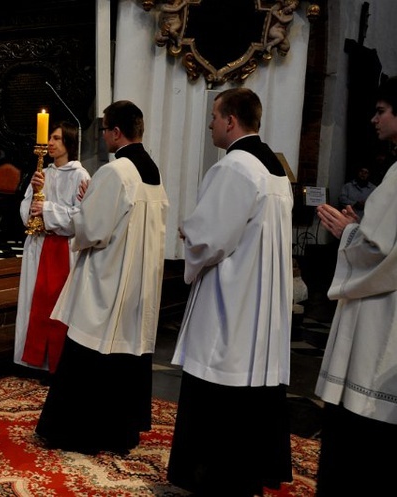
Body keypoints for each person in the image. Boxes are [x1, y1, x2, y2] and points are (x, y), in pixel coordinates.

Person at [166, 88, 294, 496]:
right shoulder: (275, 170)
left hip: (231, 298)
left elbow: (213, 239)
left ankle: (212, 476)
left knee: (218, 379)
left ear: (231, 121)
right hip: (262, 299)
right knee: (250, 389)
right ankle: (247, 472)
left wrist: (189, 231)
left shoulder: (233, 167)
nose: (209, 125)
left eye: (214, 116)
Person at [35, 100, 168, 454]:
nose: (104, 136)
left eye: (106, 129)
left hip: (108, 280)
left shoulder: (116, 171)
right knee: (126, 356)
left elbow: (92, 229)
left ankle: (80, 433)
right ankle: (121, 431)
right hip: (137, 282)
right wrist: (91, 199)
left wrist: (85, 206)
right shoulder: (152, 172)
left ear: (116, 132)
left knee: (91, 352)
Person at [314, 76, 397, 497]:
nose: (374, 118)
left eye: (381, 110)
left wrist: (348, 233)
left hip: (384, 308)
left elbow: (382, 253)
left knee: (364, 410)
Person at [14, 121, 90, 376]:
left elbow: (81, 218)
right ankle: (32, 360)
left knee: (58, 307)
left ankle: (55, 363)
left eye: (57, 138)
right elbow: (26, 208)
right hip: (38, 245)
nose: (51, 143)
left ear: (68, 143)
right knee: (33, 303)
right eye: (51, 138)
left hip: (62, 249)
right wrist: (35, 194)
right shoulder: (42, 172)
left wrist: (46, 210)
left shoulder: (81, 175)